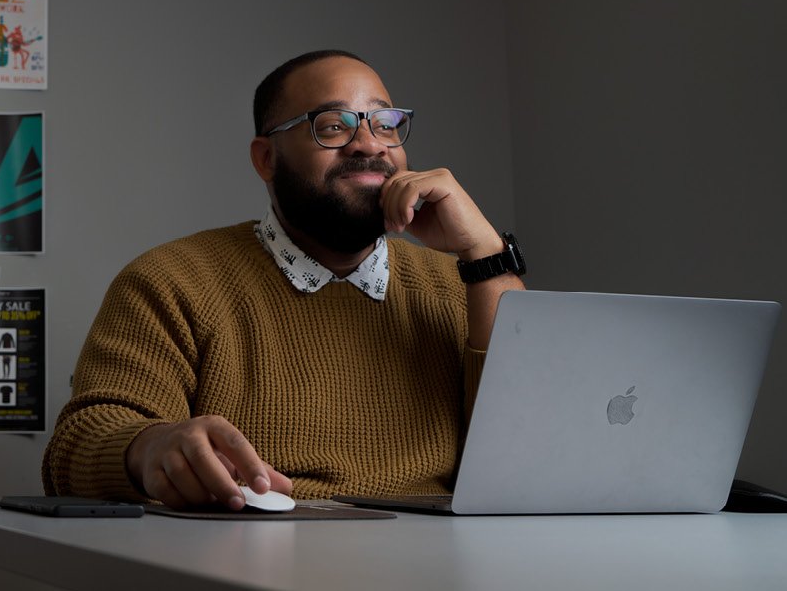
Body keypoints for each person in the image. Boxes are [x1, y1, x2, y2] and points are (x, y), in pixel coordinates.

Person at [42, 50, 526, 511]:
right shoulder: (172, 281)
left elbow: (535, 448)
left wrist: (485, 255)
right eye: (333, 126)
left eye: (386, 124)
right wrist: (147, 446)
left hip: (440, 564)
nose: (370, 144)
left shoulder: (463, 285)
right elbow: (75, 447)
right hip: (248, 557)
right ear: (266, 159)